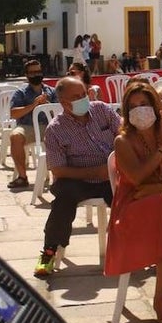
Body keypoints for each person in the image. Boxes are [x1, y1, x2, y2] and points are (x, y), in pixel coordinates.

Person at [106, 81, 162, 323]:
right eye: (133, 106)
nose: (139, 110)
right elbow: (137, 179)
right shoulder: (123, 141)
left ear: (156, 107)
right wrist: (161, 150)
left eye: (144, 104)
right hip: (132, 208)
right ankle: (160, 299)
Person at [34, 77, 118, 278]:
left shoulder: (102, 110)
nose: (83, 99)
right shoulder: (55, 129)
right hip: (79, 180)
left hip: (112, 176)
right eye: (76, 97)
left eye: (84, 94)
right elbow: (58, 170)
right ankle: (49, 251)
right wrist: (95, 172)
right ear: (64, 102)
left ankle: (140, 246)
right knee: (63, 198)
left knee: (134, 195)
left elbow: (124, 131)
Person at [5, 59, 58, 190]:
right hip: (27, 126)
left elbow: (60, 112)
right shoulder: (21, 92)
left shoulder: (51, 91)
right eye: (33, 72)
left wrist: (47, 105)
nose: (36, 75)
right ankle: (22, 177)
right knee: (15, 136)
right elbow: (13, 113)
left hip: (48, 127)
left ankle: (58, 178)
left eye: (38, 71)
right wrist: (34, 105)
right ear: (27, 75)